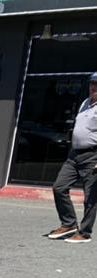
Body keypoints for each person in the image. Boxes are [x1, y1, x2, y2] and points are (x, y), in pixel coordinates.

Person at [48, 72, 97, 243]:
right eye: (92, 83)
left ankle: (84, 233)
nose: (94, 87)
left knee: (90, 197)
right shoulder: (85, 103)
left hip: (93, 155)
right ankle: (68, 224)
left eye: (96, 84)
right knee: (59, 187)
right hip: (74, 155)